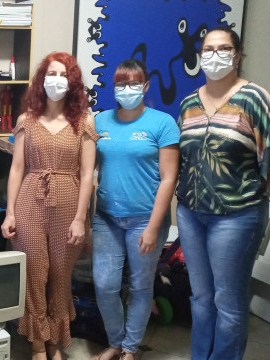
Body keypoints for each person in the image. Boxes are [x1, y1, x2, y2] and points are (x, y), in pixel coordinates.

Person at [176, 26, 270, 360]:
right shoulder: (188, 103)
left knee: (228, 302)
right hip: (190, 214)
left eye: (223, 49)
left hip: (238, 216)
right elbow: (183, 160)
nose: (215, 56)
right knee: (201, 298)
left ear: (237, 54)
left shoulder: (255, 98)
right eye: (208, 49)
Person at [1, 52, 98, 360]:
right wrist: (10, 212)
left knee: (59, 273)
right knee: (34, 272)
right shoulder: (26, 120)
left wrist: (81, 219)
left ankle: (55, 339)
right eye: (51, 73)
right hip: (30, 199)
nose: (57, 80)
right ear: (42, 80)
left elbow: (87, 175)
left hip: (69, 202)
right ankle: (38, 344)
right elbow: (17, 168)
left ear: (73, 83)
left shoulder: (85, 120)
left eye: (64, 75)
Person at [91, 60, 180, 360]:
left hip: (145, 219)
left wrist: (154, 227)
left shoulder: (162, 123)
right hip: (106, 218)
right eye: (120, 84)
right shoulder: (100, 121)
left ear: (145, 86)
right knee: (105, 285)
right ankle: (115, 342)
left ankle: (130, 348)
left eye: (133, 84)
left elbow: (169, 178)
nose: (126, 90)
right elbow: (88, 169)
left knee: (141, 287)